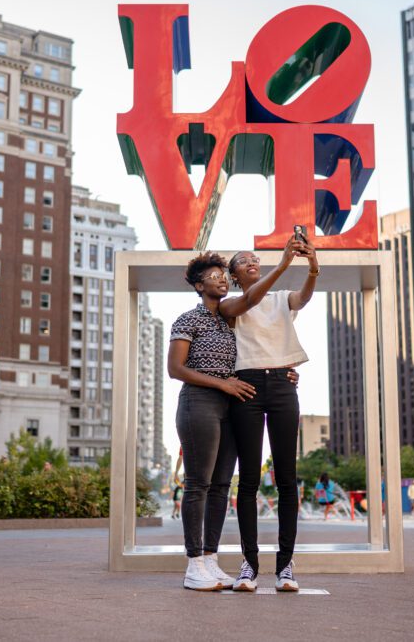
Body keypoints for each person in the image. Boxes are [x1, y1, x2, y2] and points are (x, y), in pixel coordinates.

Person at [168, 245, 299, 592]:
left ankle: (210, 559)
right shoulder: (188, 319)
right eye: (213, 276)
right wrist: (222, 383)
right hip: (200, 402)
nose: (221, 280)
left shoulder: (229, 321)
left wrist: (285, 372)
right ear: (199, 286)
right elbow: (175, 369)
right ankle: (194, 562)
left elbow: (260, 343)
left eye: (223, 275)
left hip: (230, 407)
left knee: (222, 485)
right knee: (198, 484)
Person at [221, 236, 317, 593]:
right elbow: (251, 299)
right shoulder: (232, 304)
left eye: (254, 258)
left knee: (286, 478)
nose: (252, 261)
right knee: (248, 479)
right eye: (244, 260)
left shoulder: (280, 298)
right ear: (233, 275)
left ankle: (286, 566)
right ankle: (249, 564)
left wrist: (312, 266)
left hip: (281, 383)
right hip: (246, 385)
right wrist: (283, 264)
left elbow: (303, 298)